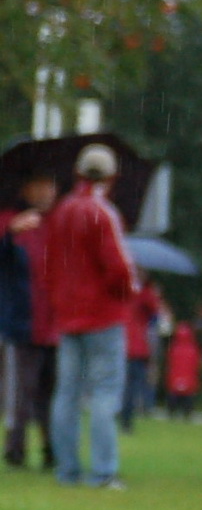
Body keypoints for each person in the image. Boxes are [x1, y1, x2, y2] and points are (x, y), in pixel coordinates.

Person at [45, 144, 136, 488]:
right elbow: (118, 269)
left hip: (67, 316)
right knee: (104, 393)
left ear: (78, 173)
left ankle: (67, 470)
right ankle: (103, 471)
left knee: (66, 394)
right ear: (111, 177)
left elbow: (49, 266)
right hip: (103, 315)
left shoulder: (62, 210)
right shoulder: (103, 212)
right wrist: (128, 295)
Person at [0, 172, 58, 470]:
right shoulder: (10, 219)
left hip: (55, 324)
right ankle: (16, 448)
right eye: (43, 185)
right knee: (21, 390)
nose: (49, 191)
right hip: (22, 322)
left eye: (52, 185)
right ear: (27, 188)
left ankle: (52, 448)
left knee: (51, 391)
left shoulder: (57, 223)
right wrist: (9, 232)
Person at [119, 271, 161, 429]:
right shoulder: (146, 294)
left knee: (124, 384)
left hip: (123, 344)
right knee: (133, 385)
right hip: (137, 347)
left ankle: (122, 415)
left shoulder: (125, 290)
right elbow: (156, 315)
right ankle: (127, 420)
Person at [166, 321, 202, 418]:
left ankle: (171, 412)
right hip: (189, 379)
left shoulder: (174, 348)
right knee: (189, 396)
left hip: (175, 378)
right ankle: (187, 413)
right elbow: (197, 364)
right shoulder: (193, 349)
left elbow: (170, 363)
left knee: (173, 395)